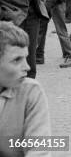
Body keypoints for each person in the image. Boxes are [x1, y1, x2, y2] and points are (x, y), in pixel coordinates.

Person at [0, 22, 51, 157]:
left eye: (25, 58)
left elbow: (39, 150)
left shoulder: (31, 92)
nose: (27, 67)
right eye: (17, 60)